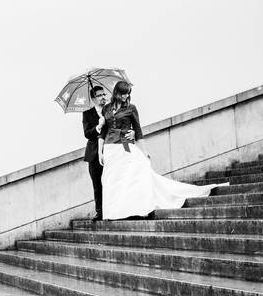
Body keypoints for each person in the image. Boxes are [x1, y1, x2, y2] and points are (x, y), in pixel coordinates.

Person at [101, 80, 212, 219]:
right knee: (113, 180)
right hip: (110, 148)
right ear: (116, 92)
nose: (125, 97)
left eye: (127, 94)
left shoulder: (131, 108)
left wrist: (144, 150)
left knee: (137, 172)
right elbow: (103, 132)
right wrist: (101, 151)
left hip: (125, 145)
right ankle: (115, 212)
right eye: (123, 93)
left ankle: (134, 209)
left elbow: (138, 130)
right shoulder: (106, 109)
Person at [82, 85, 109, 220]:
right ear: (93, 98)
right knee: (97, 184)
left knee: (111, 181)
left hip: (110, 151)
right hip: (93, 154)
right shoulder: (87, 114)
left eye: (104, 94)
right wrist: (98, 126)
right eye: (99, 95)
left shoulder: (110, 110)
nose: (103, 97)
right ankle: (100, 211)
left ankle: (113, 208)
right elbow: (87, 133)